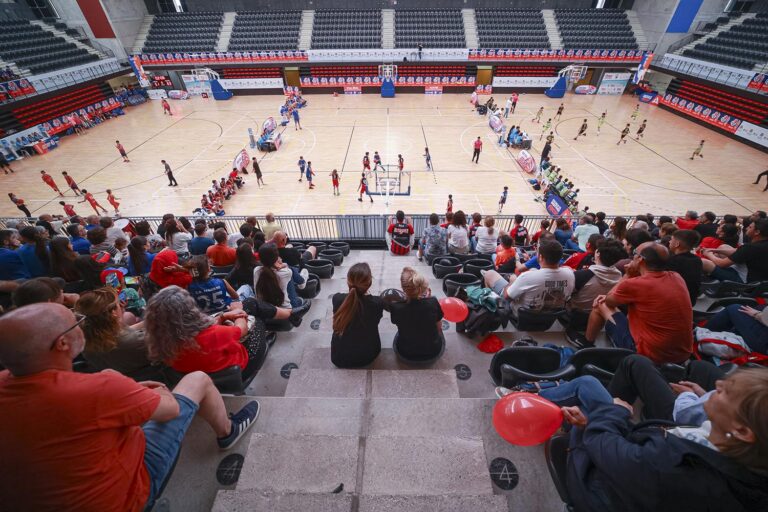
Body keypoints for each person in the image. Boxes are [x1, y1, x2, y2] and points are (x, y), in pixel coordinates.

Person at [0, 302, 262, 511]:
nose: (82, 326)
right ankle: (228, 431)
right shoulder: (102, 387)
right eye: (76, 323)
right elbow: (169, 410)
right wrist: (158, 390)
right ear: (62, 343)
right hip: (125, 496)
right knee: (197, 380)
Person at [562, 367, 768, 512]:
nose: (718, 383)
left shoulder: (679, 469)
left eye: (728, 392)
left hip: (600, 492)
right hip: (633, 465)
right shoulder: (735, 457)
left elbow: (608, 449)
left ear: (741, 430)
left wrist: (614, 413)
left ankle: (535, 390)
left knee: (587, 386)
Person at [568, 242, 693, 364]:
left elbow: (608, 300)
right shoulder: (677, 277)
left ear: (640, 260)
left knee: (600, 305)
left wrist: (628, 275)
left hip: (648, 355)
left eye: (634, 253)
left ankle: (587, 345)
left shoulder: (636, 283)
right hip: (682, 354)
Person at [483, 240, 574, 313]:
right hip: (550, 317)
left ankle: (490, 307)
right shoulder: (570, 274)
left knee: (489, 273)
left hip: (522, 316)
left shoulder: (528, 276)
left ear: (541, 257)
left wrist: (512, 281)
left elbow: (507, 296)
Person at [331, 262, 384, 368]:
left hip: (339, 357)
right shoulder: (377, 303)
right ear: (369, 283)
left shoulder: (337, 299)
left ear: (348, 282)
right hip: (368, 356)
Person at [390, 267, 445, 363]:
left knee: (400, 332)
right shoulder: (433, 301)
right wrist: (428, 301)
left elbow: (397, 322)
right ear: (423, 287)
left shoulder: (396, 307)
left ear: (403, 288)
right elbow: (439, 327)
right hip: (432, 352)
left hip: (405, 353)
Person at [702, 218, 768, 283]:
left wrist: (708, 254)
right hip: (761, 279)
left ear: (757, 232)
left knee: (704, 262)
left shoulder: (750, 247)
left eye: (750, 227)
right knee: (724, 247)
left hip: (745, 280)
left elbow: (722, 264)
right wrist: (715, 250)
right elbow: (738, 251)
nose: (746, 228)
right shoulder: (761, 245)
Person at [568, 239, 623, 313]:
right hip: (602, 316)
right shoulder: (620, 277)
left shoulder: (582, 275)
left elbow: (564, 294)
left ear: (598, 253)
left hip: (575, 315)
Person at [667, 229, 703, 306]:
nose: (669, 241)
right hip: (691, 300)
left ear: (677, 244)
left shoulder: (673, 261)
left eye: (671, 239)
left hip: (675, 302)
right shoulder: (697, 259)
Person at [253, 243, 294, 309]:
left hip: (263, 309)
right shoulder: (286, 272)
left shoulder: (256, 270)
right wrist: (284, 264)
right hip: (284, 310)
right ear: (276, 258)